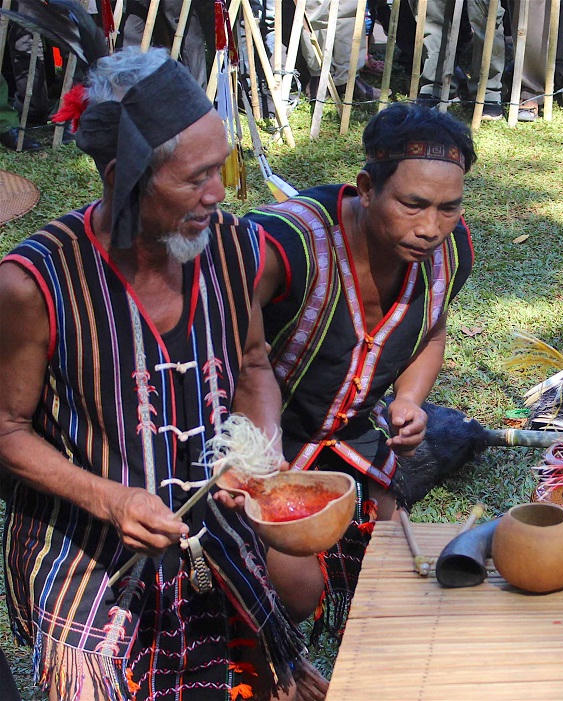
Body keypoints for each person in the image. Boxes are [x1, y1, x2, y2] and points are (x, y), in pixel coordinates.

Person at [0, 47, 322, 700]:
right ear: (124, 178)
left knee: (283, 633)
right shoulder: (35, 283)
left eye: (222, 167)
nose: (218, 194)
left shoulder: (234, 247)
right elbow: (6, 427)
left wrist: (259, 453)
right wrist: (111, 500)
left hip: (212, 527)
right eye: (196, 178)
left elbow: (253, 363)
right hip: (89, 551)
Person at [245, 102, 475, 632]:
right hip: (259, 442)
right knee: (299, 595)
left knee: (391, 570)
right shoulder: (283, 246)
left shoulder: (450, 252)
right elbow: (226, 355)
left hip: (349, 436)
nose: (431, 227)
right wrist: (253, 460)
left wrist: (409, 400)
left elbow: (431, 328)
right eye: (413, 204)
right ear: (367, 188)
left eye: (448, 208)